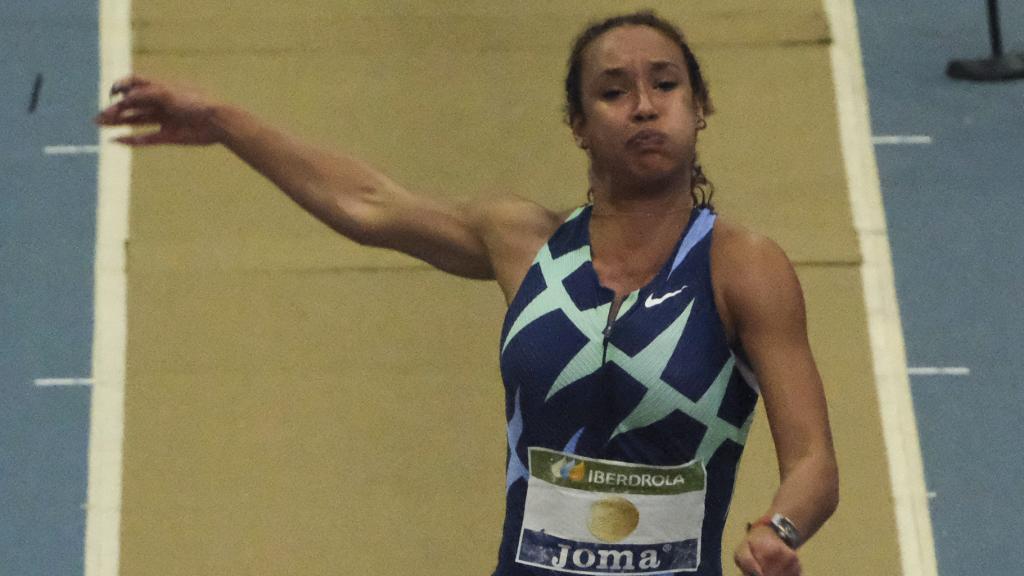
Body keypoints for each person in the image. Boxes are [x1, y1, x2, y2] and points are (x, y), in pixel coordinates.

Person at [96, 10, 837, 576]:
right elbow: (368, 203)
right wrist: (225, 123)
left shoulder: (741, 267)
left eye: (666, 85)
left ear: (699, 108)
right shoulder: (528, 247)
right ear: (578, 126)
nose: (644, 107)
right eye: (613, 92)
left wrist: (781, 529)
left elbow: (813, 462)